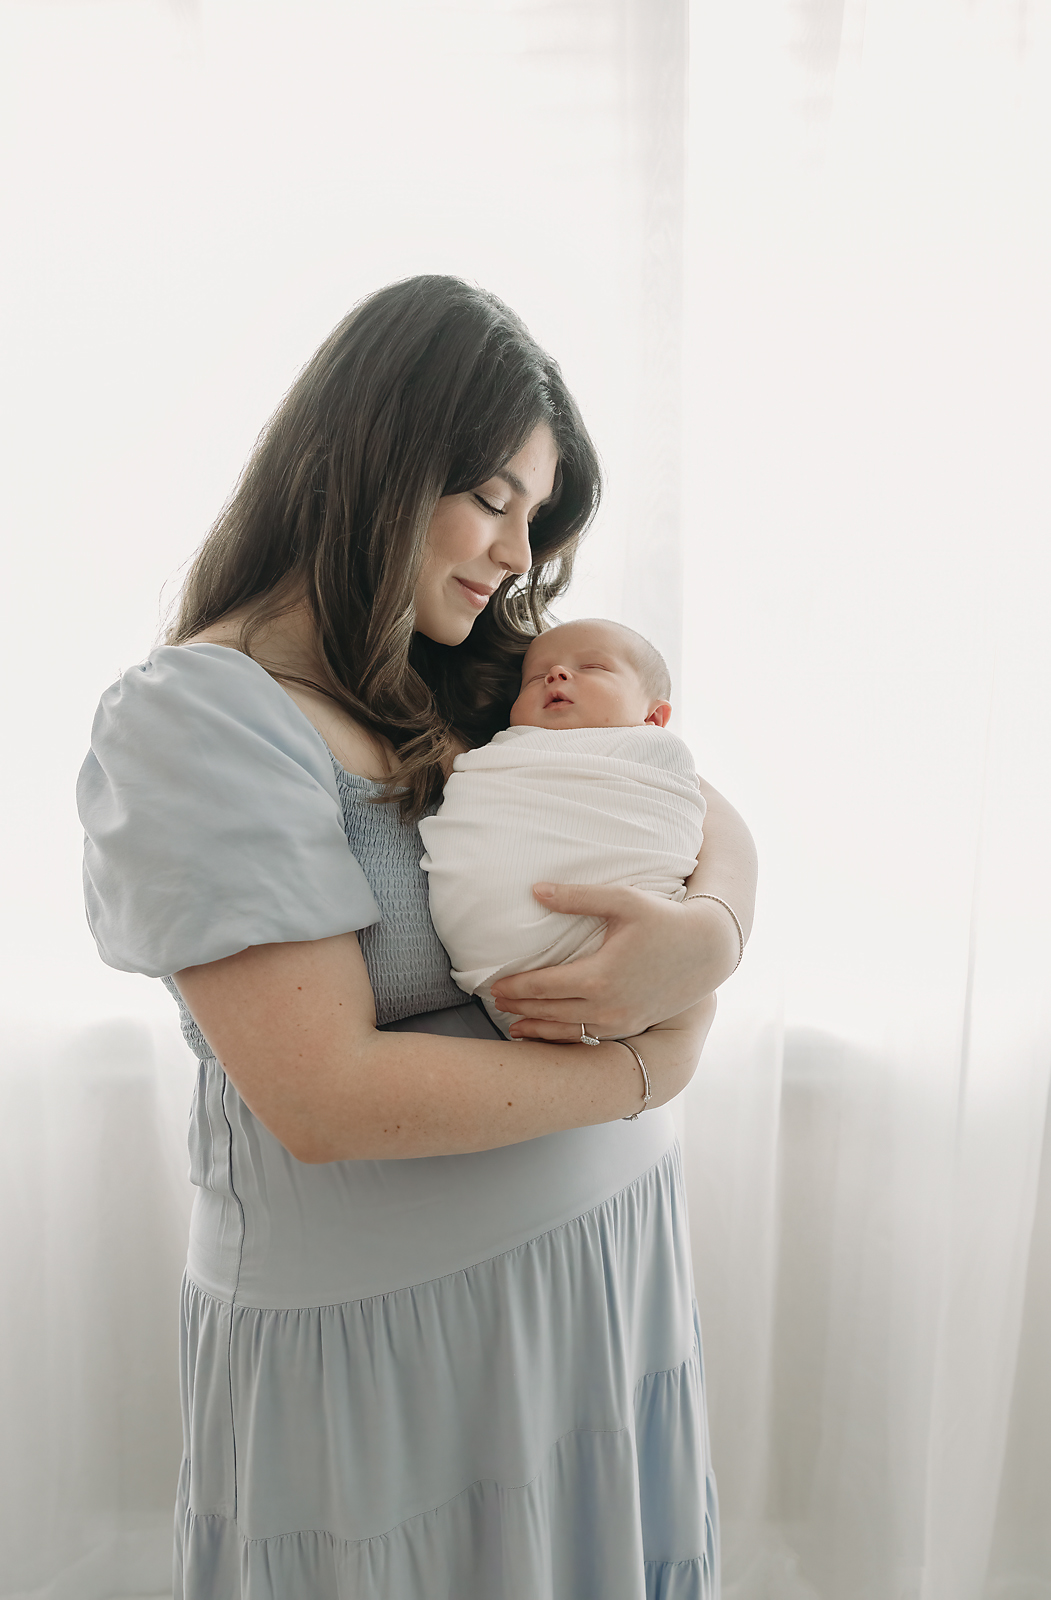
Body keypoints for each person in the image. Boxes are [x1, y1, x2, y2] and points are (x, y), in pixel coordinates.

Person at [77, 275, 756, 1599]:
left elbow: (674, 780)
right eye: (493, 499)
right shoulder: (200, 719)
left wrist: (712, 931)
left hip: (594, 1282)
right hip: (391, 1358)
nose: (514, 554)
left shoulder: (469, 662)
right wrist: (642, 1069)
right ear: (377, 460)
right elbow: (323, 1096)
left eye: (532, 519)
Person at [420, 616, 714, 1036]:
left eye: (592, 667)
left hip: (621, 947)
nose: (555, 673)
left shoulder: (655, 755)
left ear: (653, 717)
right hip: (498, 981)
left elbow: (689, 825)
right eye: (534, 678)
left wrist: (714, 936)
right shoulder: (501, 755)